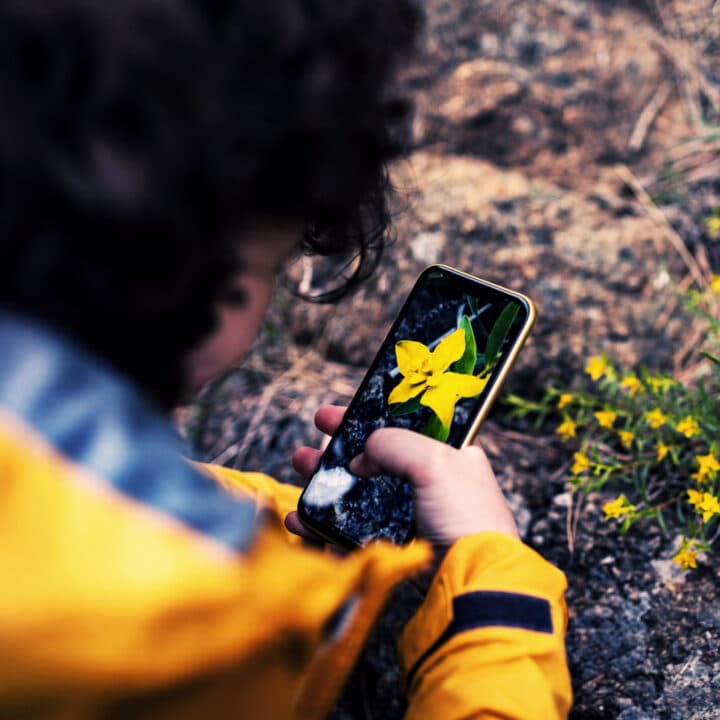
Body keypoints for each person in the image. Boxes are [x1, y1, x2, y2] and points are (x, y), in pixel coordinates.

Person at [0, 1, 572, 718]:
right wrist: (491, 582)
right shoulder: (160, 644)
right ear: (221, 277)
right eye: (276, 269)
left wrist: (276, 527)